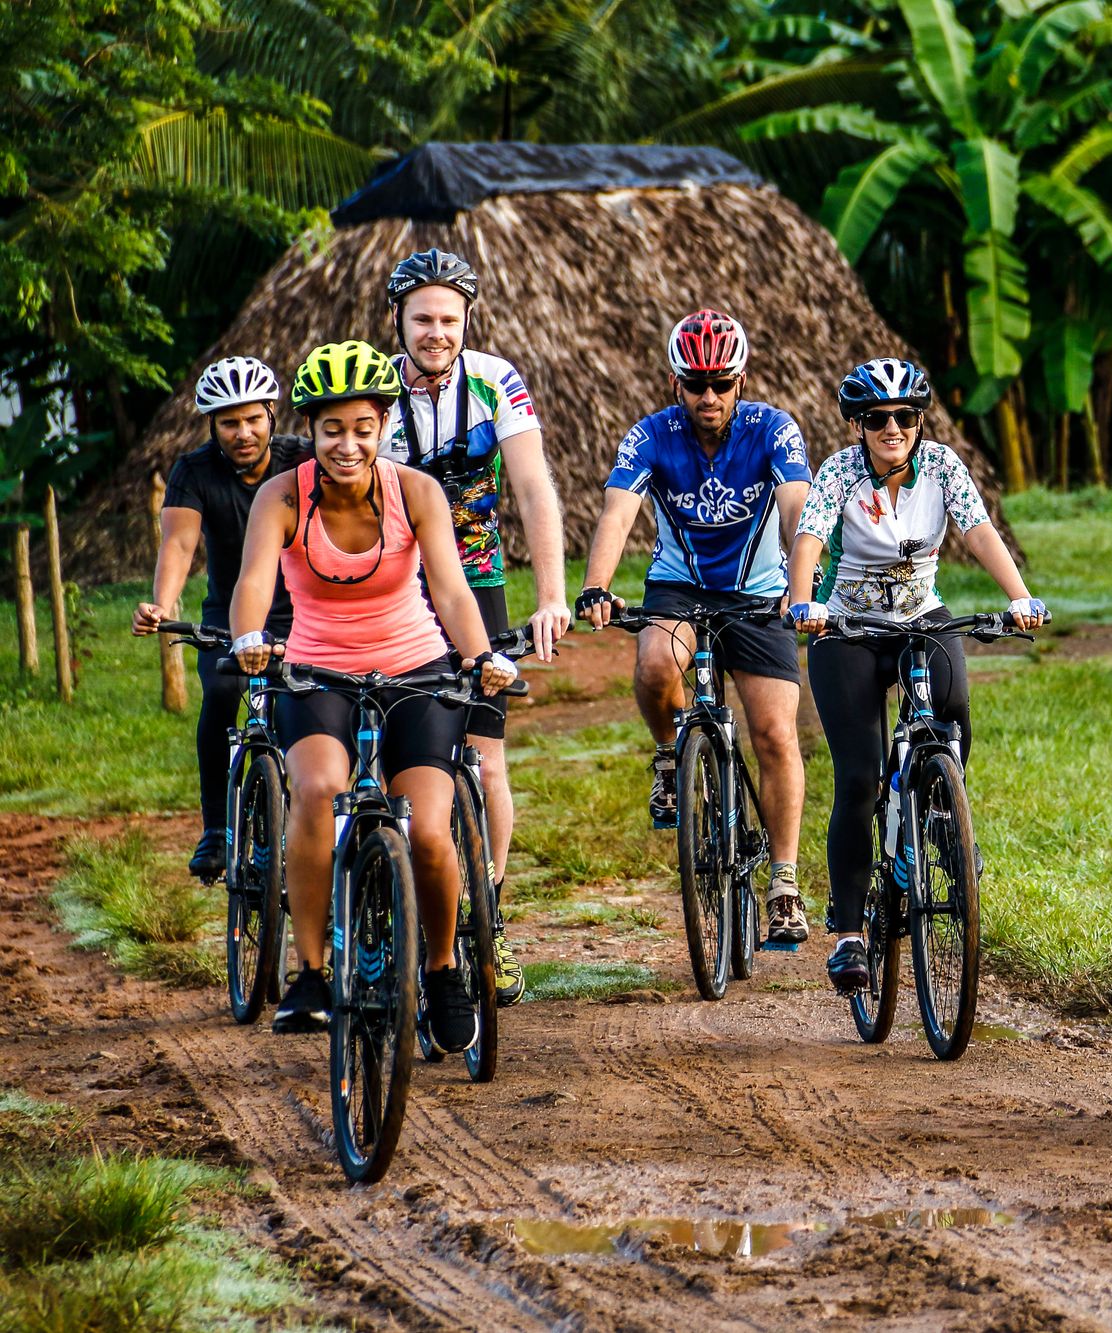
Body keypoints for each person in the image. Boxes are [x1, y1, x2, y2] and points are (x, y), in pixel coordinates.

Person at [231, 340, 517, 1047]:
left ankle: (446, 968)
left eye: (363, 427)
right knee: (318, 789)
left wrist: (480, 655)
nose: (348, 444)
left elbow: (449, 586)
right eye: (332, 429)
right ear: (311, 430)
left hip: (416, 672)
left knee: (426, 826)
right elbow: (253, 584)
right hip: (317, 672)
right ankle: (311, 973)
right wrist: (248, 639)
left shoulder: (415, 492)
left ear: (384, 424)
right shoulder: (281, 496)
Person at [786, 358, 1046, 992]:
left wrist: (1020, 597)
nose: (892, 428)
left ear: (919, 420)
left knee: (953, 717)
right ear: (858, 425)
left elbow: (979, 533)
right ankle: (849, 933)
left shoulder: (944, 469)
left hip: (921, 617)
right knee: (858, 778)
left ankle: (944, 818)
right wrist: (803, 602)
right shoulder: (840, 474)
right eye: (878, 419)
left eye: (905, 417)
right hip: (847, 627)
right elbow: (810, 540)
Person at [575, 308, 815, 945]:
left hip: (761, 592)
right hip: (679, 586)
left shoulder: (774, 429)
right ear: (675, 383)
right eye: (695, 384)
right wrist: (597, 585)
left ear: (742, 379)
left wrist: (801, 588)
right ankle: (667, 754)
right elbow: (617, 512)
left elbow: (796, 509)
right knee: (656, 664)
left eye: (722, 382)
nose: (709, 396)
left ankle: (785, 882)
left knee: (772, 732)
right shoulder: (651, 434)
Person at [379, 248, 567, 1006]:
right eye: (422, 318)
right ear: (398, 320)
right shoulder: (378, 391)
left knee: (487, 764)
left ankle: (486, 917)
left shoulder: (495, 380)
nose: (436, 332)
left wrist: (551, 593)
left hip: (479, 589)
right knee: (396, 762)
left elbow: (532, 485)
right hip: (396, 595)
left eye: (449, 319)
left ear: (467, 321)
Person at [133, 357, 312, 879]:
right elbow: (180, 543)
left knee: (301, 714)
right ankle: (216, 826)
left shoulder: (301, 460)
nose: (243, 432)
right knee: (219, 693)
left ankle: (305, 826)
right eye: (229, 422)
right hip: (228, 616)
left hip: (304, 613)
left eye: (253, 419)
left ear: (272, 416)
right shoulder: (194, 470)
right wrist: (161, 606)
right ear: (212, 425)